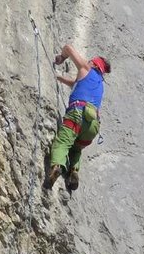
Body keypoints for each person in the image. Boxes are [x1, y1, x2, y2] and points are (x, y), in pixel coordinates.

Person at [44, 43, 111, 192]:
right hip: (92, 126)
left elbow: (68, 48)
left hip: (77, 114)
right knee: (76, 148)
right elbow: (76, 84)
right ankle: (73, 171)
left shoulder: (86, 68)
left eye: (90, 61)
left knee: (63, 142)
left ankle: (56, 167)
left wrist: (61, 58)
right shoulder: (99, 83)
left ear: (93, 64)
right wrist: (59, 78)